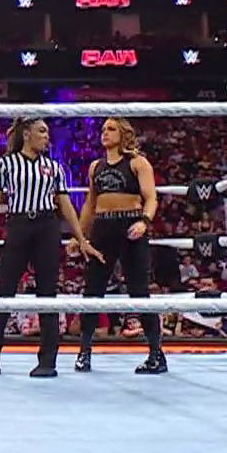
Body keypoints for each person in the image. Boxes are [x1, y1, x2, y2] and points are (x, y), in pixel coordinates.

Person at [0, 118, 90, 378]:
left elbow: (65, 203)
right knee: (4, 291)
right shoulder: (7, 163)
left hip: (47, 225)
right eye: (41, 131)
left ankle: (48, 361)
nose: (47, 136)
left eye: (47, 132)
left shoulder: (54, 167)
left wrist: (80, 237)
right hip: (19, 224)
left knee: (47, 292)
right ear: (26, 134)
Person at [76, 117, 166, 374]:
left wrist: (144, 221)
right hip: (102, 227)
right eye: (103, 129)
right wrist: (79, 236)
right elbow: (90, 204)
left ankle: (156, 354)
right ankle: (84, 351)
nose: (105, 133)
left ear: (123, 133)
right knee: (92, 290)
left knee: (139, 291)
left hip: (131, 226)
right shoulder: (96, 167)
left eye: (111, 129)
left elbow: (151, 198)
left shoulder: (138, 163)